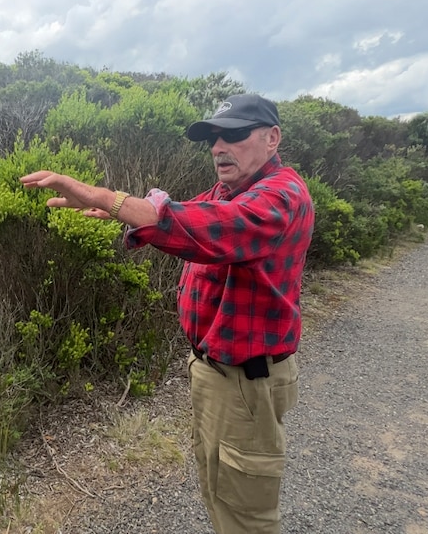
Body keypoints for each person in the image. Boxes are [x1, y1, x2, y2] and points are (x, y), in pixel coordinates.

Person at [21, 93, 314, 534]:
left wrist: (106, 196)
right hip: (217, 373)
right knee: (221, 493)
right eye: (214, 138)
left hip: (247, 382)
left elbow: (206, 230)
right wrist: (120, 212)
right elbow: (177, 213)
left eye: (233, 135)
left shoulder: (281, 195)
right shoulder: (230, 191)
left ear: (272, 138)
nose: (218, 147)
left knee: (247, 516)